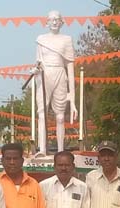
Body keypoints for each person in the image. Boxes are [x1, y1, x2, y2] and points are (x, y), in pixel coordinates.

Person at [35, 10, 78, 153]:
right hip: (44, 75)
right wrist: (36, 69)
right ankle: (42, 149)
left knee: (60, 117)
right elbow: (38, 62)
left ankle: (60, 151)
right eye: (51, 19)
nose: (54, 22)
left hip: (60, 74)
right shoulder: (41, 39)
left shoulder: (66, 40)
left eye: (57, 19)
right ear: (47, 22)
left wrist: (72, 97)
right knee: (42, 113)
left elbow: (70, 68)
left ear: (61, 22)